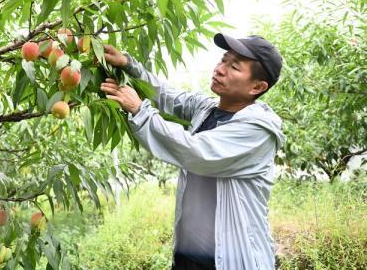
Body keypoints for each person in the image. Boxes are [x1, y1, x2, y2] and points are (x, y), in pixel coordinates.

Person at [100, 33, 285, 270]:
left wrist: (139, 111)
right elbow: (167, 96)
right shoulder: (207, 109)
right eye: (223, 60)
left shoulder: (257, 132)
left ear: (257, 87)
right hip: (188, 258)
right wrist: (129, 64)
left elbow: (196, 152)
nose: (220, 69)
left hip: (232, 260)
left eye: (234, 67)